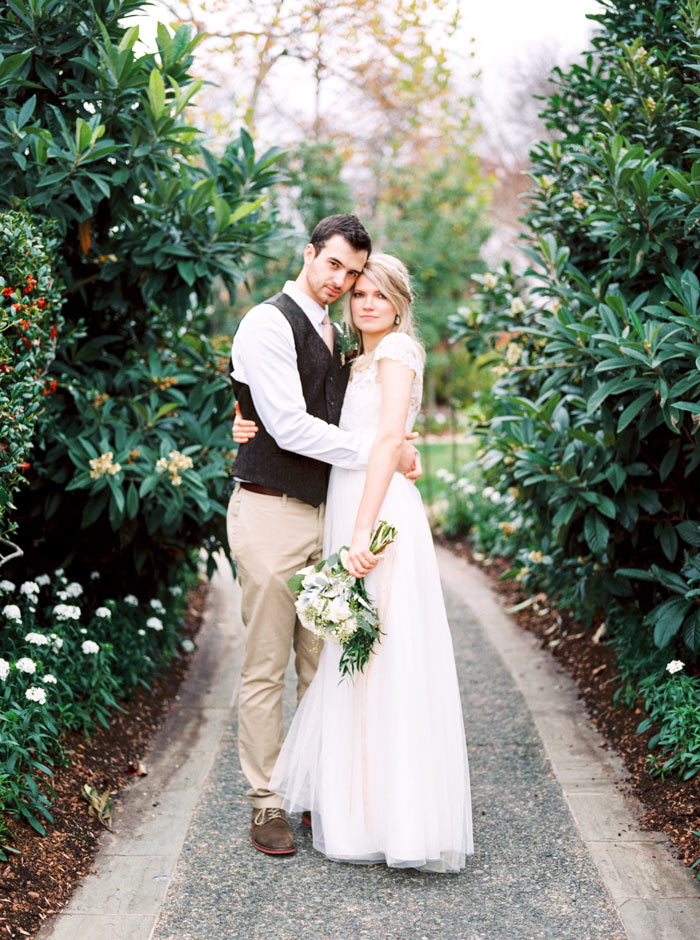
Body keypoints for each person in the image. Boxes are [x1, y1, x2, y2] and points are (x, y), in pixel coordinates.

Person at [236, 253, 473, 872]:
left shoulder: (396, 353)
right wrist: (242, 418)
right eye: (357, 291)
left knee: (379, 657)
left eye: (377, 293)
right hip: (336, 506)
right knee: (345, 659)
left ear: (399, 304)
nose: (364, 301)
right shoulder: (350, 354)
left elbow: (390, 436)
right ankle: (339, 798)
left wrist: (365, 526)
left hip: (369, 516)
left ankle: (394, 815)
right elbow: (292, 402)